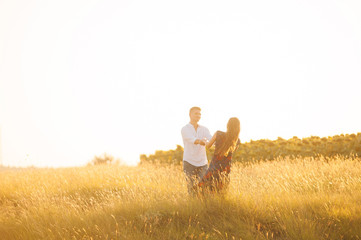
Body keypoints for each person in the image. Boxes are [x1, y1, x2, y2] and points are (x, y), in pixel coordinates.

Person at [198, 117, 241, 194]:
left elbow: (208, 146)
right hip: (225, 169)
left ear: (228, 125)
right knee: (220, 191)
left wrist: (205, 141)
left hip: (214, 167)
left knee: (202, 189)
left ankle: (205, 205)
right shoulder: (237, 141)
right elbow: (229, 151)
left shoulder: (219, 134)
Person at [181, 106, 212, 196]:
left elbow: (211, 140)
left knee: (204, 186)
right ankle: (193, 206)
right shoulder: (185, 129)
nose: (198, 116)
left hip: (202, 162)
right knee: (191, 188)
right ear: (190, 115)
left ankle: (202, 206)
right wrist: (201, 142)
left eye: (199, 114)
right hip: (189, 162)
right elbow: (192, 140)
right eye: (196, 113)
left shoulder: (204, 129)